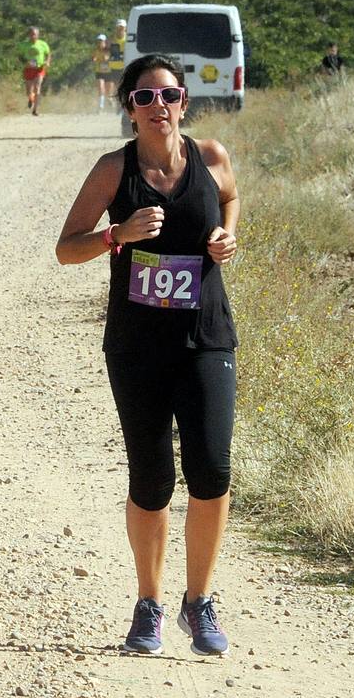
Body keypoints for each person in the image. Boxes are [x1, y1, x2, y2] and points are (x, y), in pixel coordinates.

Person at [54, 54, 240, 657]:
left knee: (211, 470)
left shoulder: (211, 158)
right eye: (144, 97)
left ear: (184, 103)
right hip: (137, 345)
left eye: (169, 95)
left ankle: (200, 602)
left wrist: (225, 235)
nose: (158, 106)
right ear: (129, 109)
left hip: (206, 336)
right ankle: (149, 604)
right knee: (152, 476)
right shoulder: (114, 171)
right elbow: (66, 249)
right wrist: (118, 235)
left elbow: (231, 199)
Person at [19, 27, 52, 116]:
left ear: (38, 35)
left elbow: (48, 53)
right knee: (29, 91)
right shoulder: (23, 45)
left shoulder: (43, 44)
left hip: (39, 69)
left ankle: (35, 110)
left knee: (37, 88)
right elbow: (19, 56)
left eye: (35, 34)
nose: (33, 36)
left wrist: (48, 62)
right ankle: (31, 99)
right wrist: (24, 63)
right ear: (28, 35)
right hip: (28, 69)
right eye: (31, 34)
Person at [106, 19, 128, 112]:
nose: (120, 30)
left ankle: (121, 108)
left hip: (124, 67)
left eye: (122, 28)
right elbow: (105, 51)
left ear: (125, 28)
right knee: (114, 88)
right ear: (116, 28)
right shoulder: (111, 40)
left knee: (122, 88)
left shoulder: (128, 40)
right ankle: (116, 107)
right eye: (118, 28)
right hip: (112, 67)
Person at [92, 34, 115, 110]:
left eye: (101, 41)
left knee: (109, 93)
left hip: (109, 73)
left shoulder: (109, 50)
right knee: (101, 88)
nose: (99, 43)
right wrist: (95, 59)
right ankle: (101, 106)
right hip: (100, 72)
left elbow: (107, 58)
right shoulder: (95, 50)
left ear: (105, 42)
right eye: (98, 41)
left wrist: (103, 58)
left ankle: (111, 103)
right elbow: (93, 58)